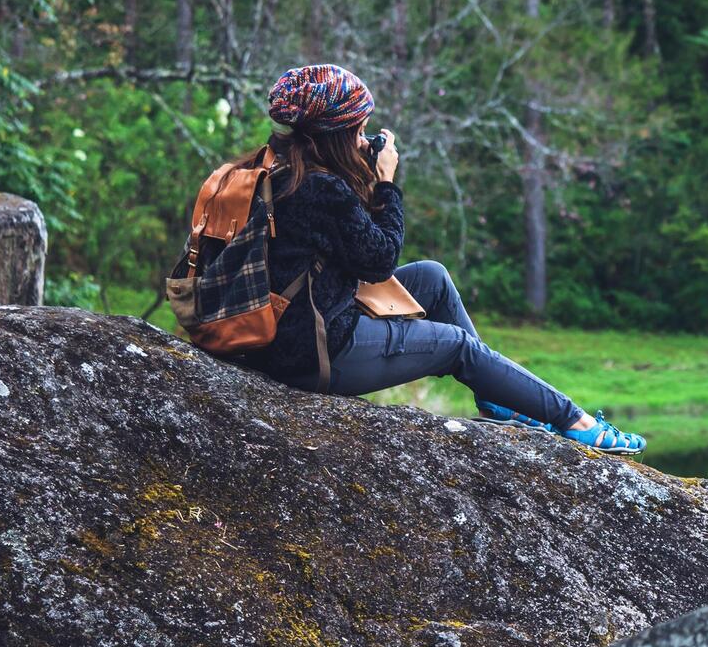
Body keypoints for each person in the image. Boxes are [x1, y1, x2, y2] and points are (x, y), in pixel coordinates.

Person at [192, 64, 647, 453]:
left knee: (431, 276)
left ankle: (499, 399)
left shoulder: (266, 167)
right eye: (359, 125)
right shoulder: (318, 187)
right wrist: (387, 182)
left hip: (272, 332)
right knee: (457, 345)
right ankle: (578, 424)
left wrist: (363, 181)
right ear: (338, 131)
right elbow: (378, 260)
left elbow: (340, 247)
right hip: (311, 352)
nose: (364, 135)